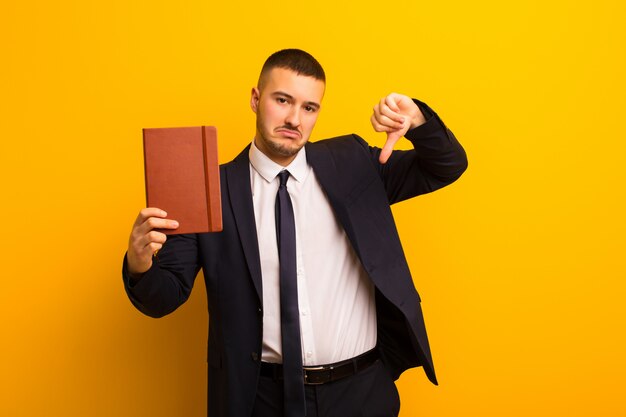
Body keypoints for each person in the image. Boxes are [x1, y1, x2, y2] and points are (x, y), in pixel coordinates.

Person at [123, 48, 467, 417]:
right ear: (256, 99)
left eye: (309, 108)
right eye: (282, 100)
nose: (294, 118)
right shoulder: (210, 189)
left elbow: (446, 166)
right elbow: (164, 297)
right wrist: (139, 263)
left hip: (362, 391)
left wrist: (416, 118)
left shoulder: (354, 165)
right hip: (261, 399)